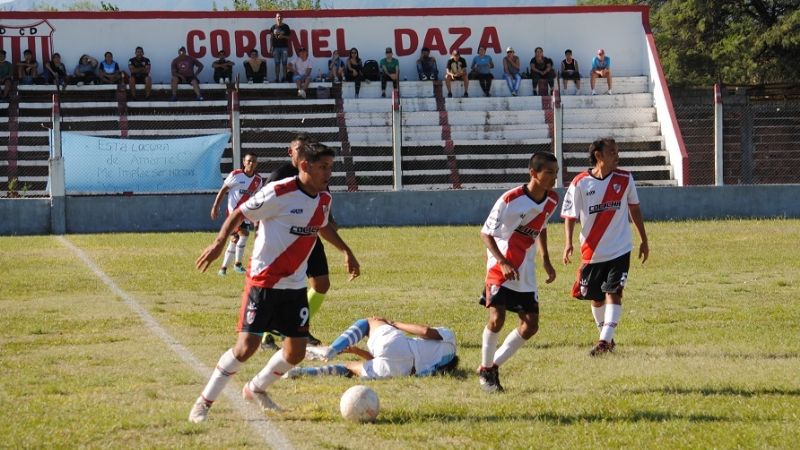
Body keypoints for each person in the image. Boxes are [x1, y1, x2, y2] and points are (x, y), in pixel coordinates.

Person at [189, 142, 338, 423]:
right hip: (263, 282)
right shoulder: (279, 191)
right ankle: (204, 402)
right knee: (246, 348)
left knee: (296, 352)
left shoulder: (324, 199)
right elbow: (239, 213)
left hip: (294, 287)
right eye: (323, 167)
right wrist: (220, 243)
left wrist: (346, 252)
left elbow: (322, 226)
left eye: (331, 167)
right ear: (304, 166)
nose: (328, 173)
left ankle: (256, 388)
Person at [261, 134, 360, 348]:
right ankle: (266, 335)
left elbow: (322, 204)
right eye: (299, 149)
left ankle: (299, 328)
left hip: (311, 237)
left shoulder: (316, 175)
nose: (303, 153)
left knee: (321, 284)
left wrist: (331, 222)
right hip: (284, 243)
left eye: (306, 149)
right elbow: (261, 208)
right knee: (278, 289)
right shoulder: (280, 176)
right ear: (292, 153)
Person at [477, 151, 559, 393]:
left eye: (556, 172)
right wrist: (502, 261)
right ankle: (486, 367)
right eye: (549, 173)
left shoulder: (552, 200)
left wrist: (546, 259)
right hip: (499, 267)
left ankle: (490, 367)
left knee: (530, 325)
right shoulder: (510, 199)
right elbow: (485, 233)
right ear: (533, 173)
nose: (554, 177)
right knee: (497, 318)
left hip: (526, 269)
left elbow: (541, 226)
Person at [561, 138, 649, 356]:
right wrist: (568, 242)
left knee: (614, 291)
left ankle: (603, 341)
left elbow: (634, 209)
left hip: (620, 249)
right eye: (612, 152)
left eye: (617, 151)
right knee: (596, 297)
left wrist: (644, 239)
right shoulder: (580, 182)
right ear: (598, 156)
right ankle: (607, 339)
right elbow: (570, 216)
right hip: (591, 252)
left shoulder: (625, 178)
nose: (617, 155)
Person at [287, 316, 458, 379]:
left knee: (368, 321)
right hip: (400, 371)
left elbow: (425, 331)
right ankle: (301, 373)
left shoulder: (449, 337)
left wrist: (394, 324)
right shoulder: (440, 364)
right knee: (348, 368)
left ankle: (331, 349)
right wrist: (357, 351)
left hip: (399, 346)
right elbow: (387, 358)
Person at [210, 153, 263, 277]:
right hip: (234, 213)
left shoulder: (258, 180)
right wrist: (215, 206)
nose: (251, 163)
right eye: (249, 161)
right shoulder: (235, 175)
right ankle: (237, 264)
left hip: (247, 213)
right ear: (244, 162)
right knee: (244, 234)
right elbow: (223, 190)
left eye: (254, 161)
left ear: (256, 163)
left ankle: (223, 269)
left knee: (235, 239)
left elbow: (258, 197)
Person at [269, 12, 291, 83]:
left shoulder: (286, 27)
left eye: (280, 17)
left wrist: (283, 36)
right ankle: (277, 79)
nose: (279, 18)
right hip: (275, 48)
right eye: (278, 17)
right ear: (275, 18)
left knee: (284, 64)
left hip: (284, 47)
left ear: (282, 18)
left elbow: (289, 37)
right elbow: (271, 38)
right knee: (277, 64)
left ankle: (284, 78)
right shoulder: (273, 27)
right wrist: (271, 47)